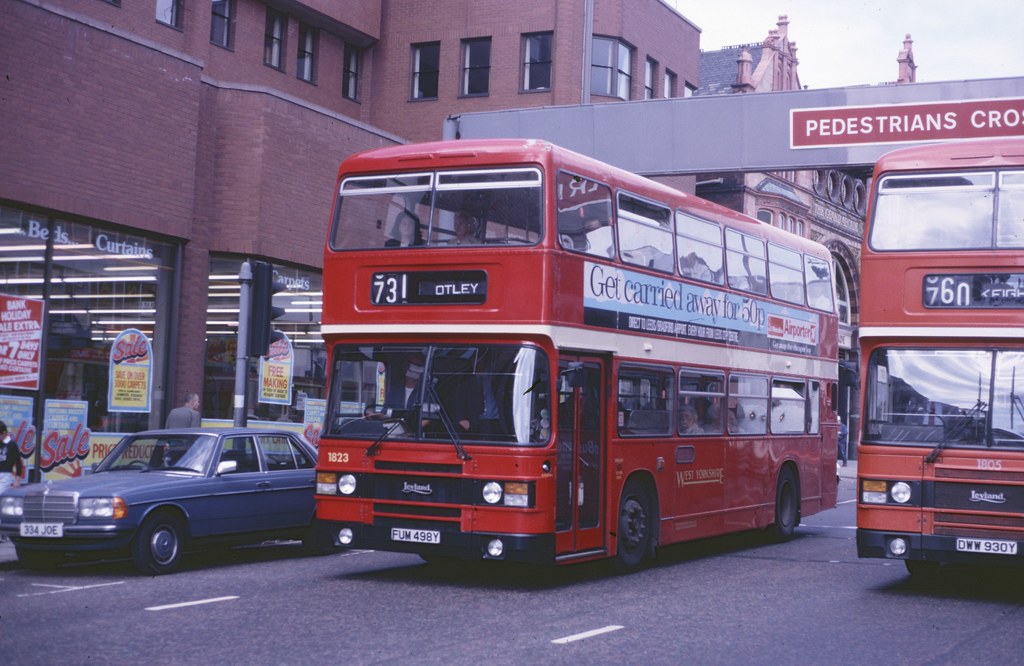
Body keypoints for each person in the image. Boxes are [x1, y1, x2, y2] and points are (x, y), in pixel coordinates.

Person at [0, 421, 25, 494]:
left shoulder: (11, 444)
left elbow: (18, 462)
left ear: (4, 433)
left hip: (5, 474)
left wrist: (17, 480)